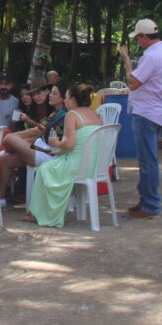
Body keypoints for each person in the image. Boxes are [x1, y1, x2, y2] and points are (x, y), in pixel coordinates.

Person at [118, 18, 162, 219]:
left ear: (144, 37)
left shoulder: (150, 56)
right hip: (158, 110)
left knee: (147, 160)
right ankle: (146, 200)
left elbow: (133, 83)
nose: (138, 42)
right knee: (148, 158)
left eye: (138, 38)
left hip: (146, 111)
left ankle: (150, 204)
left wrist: (127, 62)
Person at [21, 84, 103, 227]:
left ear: (72, 100)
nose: (65, 101)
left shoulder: (72, 115)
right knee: (50, 166)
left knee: (43, 169)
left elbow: (69, 144)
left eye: (65, 97)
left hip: (76, 167)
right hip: (92, 166)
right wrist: (59, 151)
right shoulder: (95, 114)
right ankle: (39, 211)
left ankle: (38, 213)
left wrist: (57, 143)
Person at [0, 81, 70, 204]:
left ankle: (8, 148)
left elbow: (38, 131)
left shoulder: (62, 114)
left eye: (54, 93)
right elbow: (39, 131)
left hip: (49, 153)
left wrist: (14, 137)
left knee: (8, 139)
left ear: (63, 98)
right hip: (42, 148)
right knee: (6, 159)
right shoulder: (55, 113)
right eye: (50, 93)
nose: (50, 95)